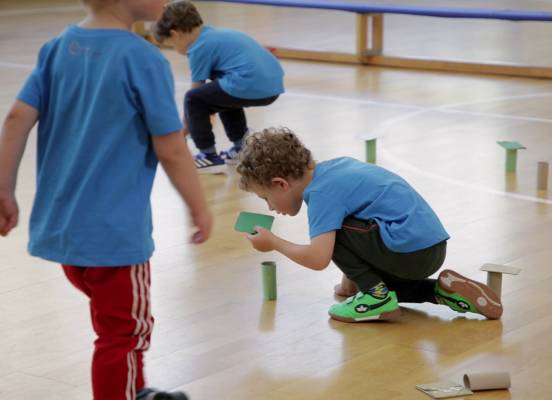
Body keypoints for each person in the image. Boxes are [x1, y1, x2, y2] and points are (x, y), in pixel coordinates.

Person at [0, 0, 213, 398]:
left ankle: (133, 390)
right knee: (124, 334)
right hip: (114, 242)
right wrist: (198, 207)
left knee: (114, 323)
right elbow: (170, 148)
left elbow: (16, 120)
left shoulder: (57, 47)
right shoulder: (143, 59)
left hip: (65, 235)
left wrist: (3, 188)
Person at [236, 127, 503, 323]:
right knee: (388, 289)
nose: (270, 207)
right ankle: (441, 292)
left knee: (339, 239)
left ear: (281, 184)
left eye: (266, 198)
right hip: (426, 247)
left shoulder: (320, 194)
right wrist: (350, 281)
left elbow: (318, 258)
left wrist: (274, 243)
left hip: (407, 250)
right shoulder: (333, 169)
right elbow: (364, 220)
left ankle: (376, 298)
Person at [153, 0, 285, 173]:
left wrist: (184, 131)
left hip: (250, 81)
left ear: (176, 34)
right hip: (272, 84)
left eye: (171, 44)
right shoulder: (213, 34)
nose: (175, 48)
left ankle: (208, 156)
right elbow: (214, 95)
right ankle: (242, 147)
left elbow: (194, 94)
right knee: (221, 92)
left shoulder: (198, 47)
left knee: (194, 99)